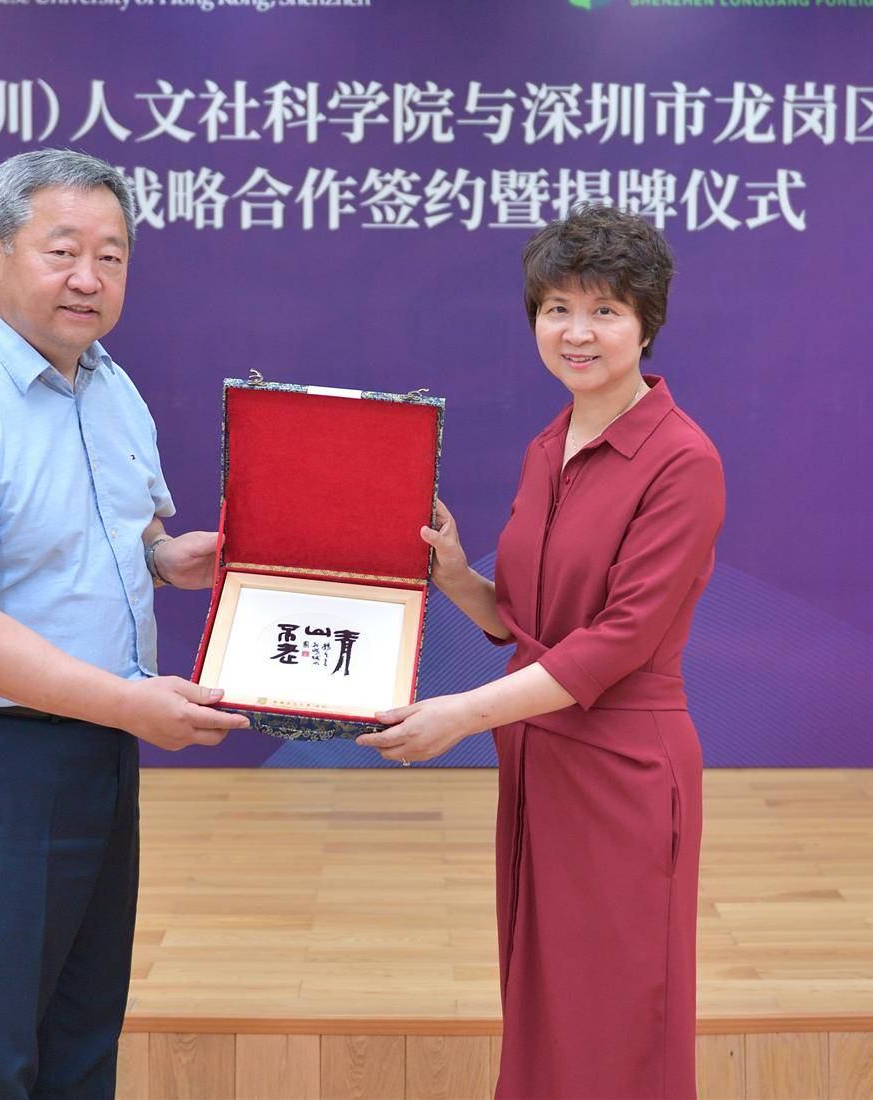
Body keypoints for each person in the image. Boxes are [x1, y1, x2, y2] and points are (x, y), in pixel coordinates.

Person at [0, 147, 248, 1099]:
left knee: (81, 1043)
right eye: (62, 250)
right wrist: (126, 702)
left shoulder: (108, 384)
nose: (89, 278)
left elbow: (116, 537)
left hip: (96, 748)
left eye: (112, 257)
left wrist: (168, 559)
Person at [358, 205, 725, 1098]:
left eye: (605, 310)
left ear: (647, 323)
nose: (577, 331)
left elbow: (615, 645)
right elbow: (526, 622)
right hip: (536, 761)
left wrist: (456, 714)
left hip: (622, 769)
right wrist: (451, 576)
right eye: (556, 308)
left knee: (621, 1019)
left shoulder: (682, 459)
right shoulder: (547, 446)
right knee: (547, 1006)